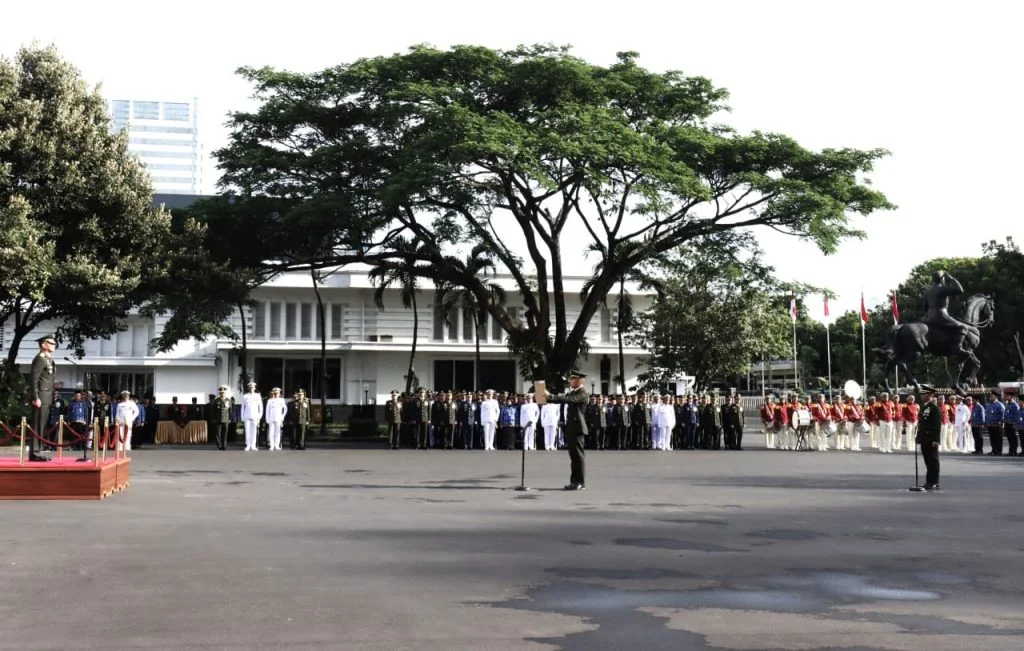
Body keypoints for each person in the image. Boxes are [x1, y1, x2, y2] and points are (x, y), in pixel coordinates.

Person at [543, 370, 590, 490]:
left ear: (580, 380)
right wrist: (546, 397)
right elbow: (562, 398)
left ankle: (580, 482)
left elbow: (568, 400)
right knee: (573, 456)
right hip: (572, 427)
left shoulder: (582, 393)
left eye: (573, 379)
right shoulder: (574, 392)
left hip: (578, 428)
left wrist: (549, 395)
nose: (571, 381)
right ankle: (574, 481)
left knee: (578, 457)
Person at [922, 270, 970, 356]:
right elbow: (960, 290)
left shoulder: (927, 292)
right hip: (941, 316)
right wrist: (951, 278)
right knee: (963, 327)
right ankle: (957, 348)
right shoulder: (942, 289)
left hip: (929, 318)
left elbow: (925, 308)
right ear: (942, 279)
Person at [28, 333, 57, 461]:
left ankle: (38, 450)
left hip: (47, 396)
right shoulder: (39, 359)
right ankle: (35, 453)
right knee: (38, 425)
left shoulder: (48, 359)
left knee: (42, 425)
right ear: (44, 344)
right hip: (41, 396)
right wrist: (35, 397)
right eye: (51, 343)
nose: (54, 345)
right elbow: (33, 380)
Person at [916, 386, 942, 490]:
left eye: (924, 394)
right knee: (928, 461)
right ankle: (929, 481)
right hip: (924, 439)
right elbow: (922, 424)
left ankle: (934, 482)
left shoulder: (934, 408)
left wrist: (936, 440)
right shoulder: (924, 407)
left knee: (933, 461)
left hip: (931, 439)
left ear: (929, 395)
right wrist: (918, 437)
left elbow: (936, 425)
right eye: (921, 394)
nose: (921, 396)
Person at [240, 382, 263, 451]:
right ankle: (248, 445)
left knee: (254, 431)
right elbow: (242, 407)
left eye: (252, 388)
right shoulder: (245, 396)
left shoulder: (257, 396)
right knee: (247, 431)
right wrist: (242, 417)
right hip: (247, 415)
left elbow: (260, 407)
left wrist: (259, 416)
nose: (251, 389)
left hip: (255, 416)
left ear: (255, 388)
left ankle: (253, 445)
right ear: (248, 388)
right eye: (250, 388)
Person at [211, 386, 233, 450]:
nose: (222, 394)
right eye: (221, 393)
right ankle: (219, 445)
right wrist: (213, 418)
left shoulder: (228, 400)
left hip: (226, 419)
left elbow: (230, 410)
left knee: (225, 433)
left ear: (225, 393)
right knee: (218, 433)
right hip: (218, 419)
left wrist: (230, 418)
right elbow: (213, 410)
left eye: (223, 392)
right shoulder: (216, 400)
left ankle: (224, 445)